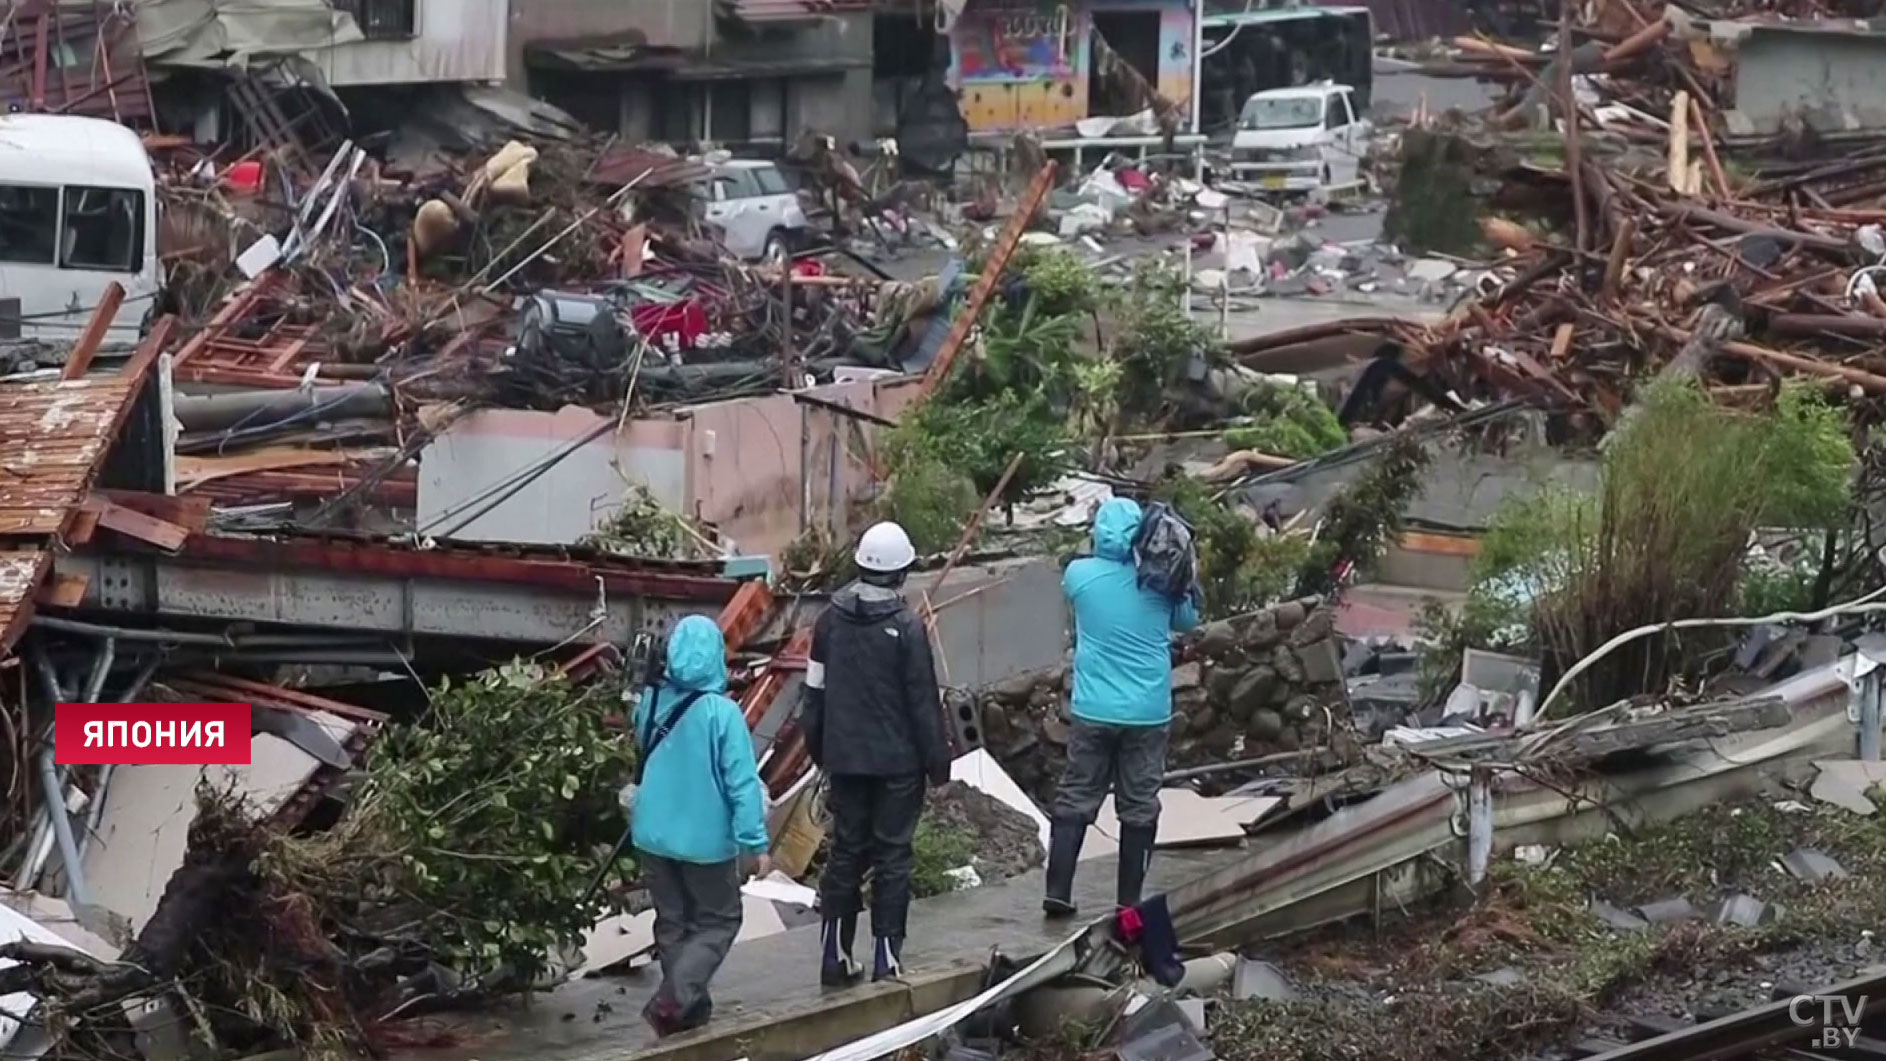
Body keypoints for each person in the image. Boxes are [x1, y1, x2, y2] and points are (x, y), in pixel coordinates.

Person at [803, 521, 951, 987]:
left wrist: (819, 750)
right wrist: (938, 762)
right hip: (897, 764)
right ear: (901, 573)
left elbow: (814, 694)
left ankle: (834, 955)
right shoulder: (906, 627)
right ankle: (887, 958)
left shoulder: (828, 622)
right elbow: (923, 703)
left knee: (845, 850)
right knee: (892, 856)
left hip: (844, 758)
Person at [1043, 497, 1200, 918]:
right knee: (1139, 804)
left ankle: (1057, 892)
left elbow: (1078, 583)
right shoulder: (1161, 584)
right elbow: (1189, 621)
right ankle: (1127, 902)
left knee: (1076, 795)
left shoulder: (1079, 576)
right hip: (1147, 713)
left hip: (1093, 710)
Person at [632, 614, 772, 1036]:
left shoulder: (651, 701)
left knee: (673, 921)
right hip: (704, 842)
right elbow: (742, 784)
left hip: (652, 833)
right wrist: (755, 844)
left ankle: (688, 1008)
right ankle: (673, 1000)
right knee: (719, 920)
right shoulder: (722, 714)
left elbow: (641, 752)